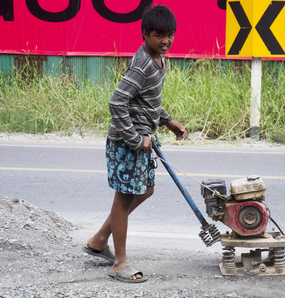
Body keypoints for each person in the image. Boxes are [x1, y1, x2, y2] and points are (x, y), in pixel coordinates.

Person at [82, 5, 185, 283]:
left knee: (146, 190)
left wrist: (168, 121)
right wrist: (136, 139)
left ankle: (100, 239)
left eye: (170, 35)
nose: (166, 41)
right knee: (124, 196)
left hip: (143, 139)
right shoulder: (143, 64)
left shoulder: (160, 60)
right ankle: (119, 262)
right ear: (145, 34)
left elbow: (147, 101)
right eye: (159, 35)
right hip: (128, 142)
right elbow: (117, 101)